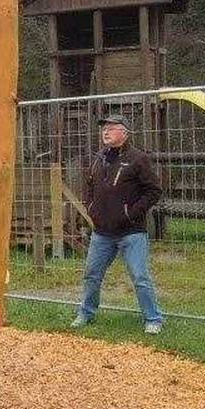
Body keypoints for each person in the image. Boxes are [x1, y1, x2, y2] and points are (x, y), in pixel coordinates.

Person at [71, 114, 165, 334]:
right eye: (104, 128)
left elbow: (154, 191)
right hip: (102, 233)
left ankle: (153, 319)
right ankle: (86, 313)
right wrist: (91, 208)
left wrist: (132, 213)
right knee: (92, 275)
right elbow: (90, 186)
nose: (105, 132)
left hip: (131, 232)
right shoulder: (98, 158)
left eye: (112, 128)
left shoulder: (138, 159)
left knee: (140, 277)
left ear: (125, 133)